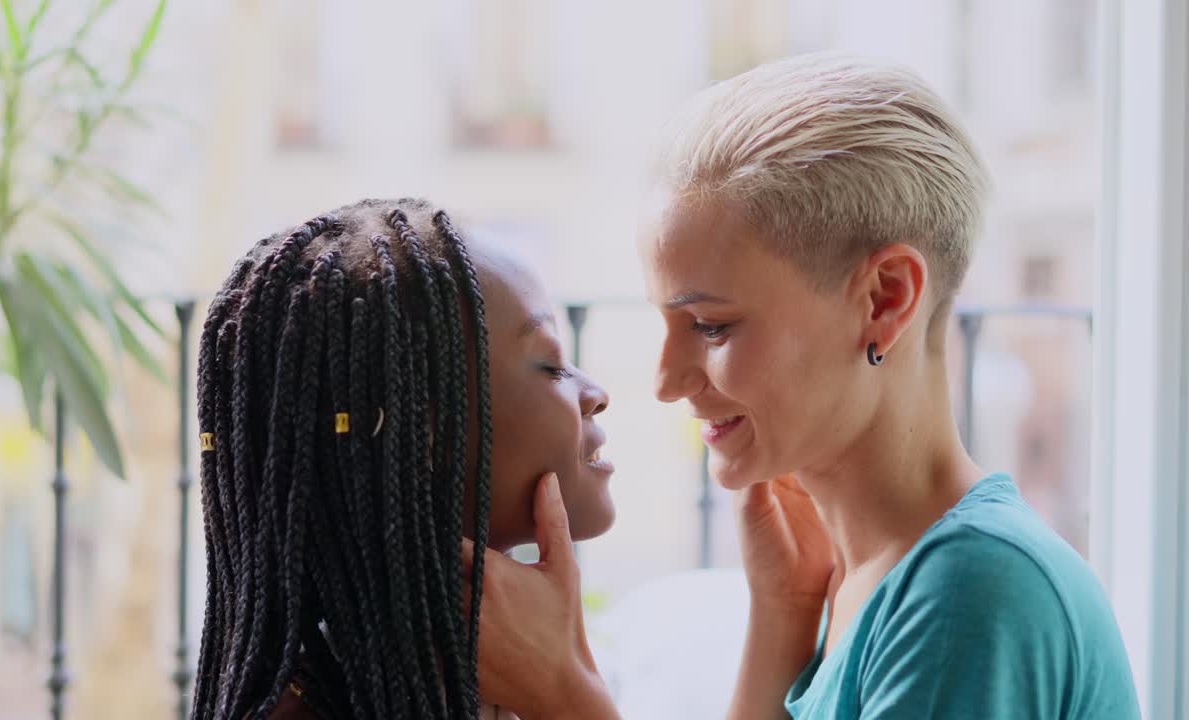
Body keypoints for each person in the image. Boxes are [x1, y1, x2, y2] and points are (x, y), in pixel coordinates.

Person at [465, 54, 1140, 719]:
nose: (665, 382)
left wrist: (564, 695)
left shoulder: (975, 593)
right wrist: (781, 621)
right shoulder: (857, 582)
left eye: (712, 325)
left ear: (885, 298)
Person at [189, 198, 614, 719]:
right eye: (550, 365)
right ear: (419, 433)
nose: (595, 393)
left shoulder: (460, 673)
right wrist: (570, 695)